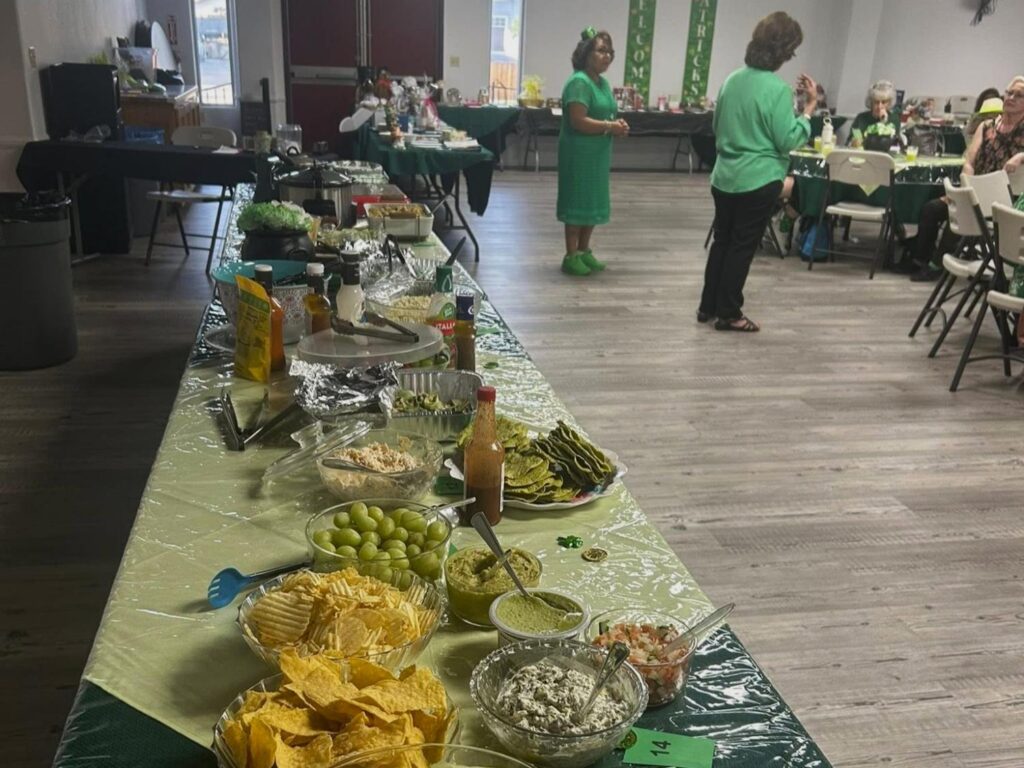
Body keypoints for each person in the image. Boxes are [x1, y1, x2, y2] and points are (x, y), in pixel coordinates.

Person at [698, 12, 818, 332]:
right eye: (790, 53)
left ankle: (707, 306)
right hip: (758, 178)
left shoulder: (732, 80)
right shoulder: (777, 90)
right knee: (742, 246)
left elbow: (716, 125)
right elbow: (788, 139)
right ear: (782, 51)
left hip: (724, 176)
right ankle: (729, 313)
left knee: (722, 242)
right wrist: (808, 110)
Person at [911, 75, 1024, 281]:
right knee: (932, 208)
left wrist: (1020, 156)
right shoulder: (987, 126)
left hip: (1004, 201)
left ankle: (937, 264)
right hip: (974, 190)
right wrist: (967, 184)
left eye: (1019, 95)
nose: (1011, 98)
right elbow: (970, 161)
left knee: (963, 212)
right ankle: (919, 261)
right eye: (1009, 93)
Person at [556, 27, 629, 276]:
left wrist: (618, 125)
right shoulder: (579, 82)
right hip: (579, 153)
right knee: (577, 201)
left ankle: (584, 251)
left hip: (598, 154)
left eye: (610, 52)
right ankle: (570, 254)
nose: (606, 56)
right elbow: (578, 120)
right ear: (586, 53)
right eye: (601, 50)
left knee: (592, 202)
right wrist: (610, 126)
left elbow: (606, 114)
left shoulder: (603, 83)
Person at [849, 80, 901, 148]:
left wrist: (884, 121)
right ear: (871, 102)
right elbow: (852, 141)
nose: (879, 106)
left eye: (883, 102)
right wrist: (854, 142)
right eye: (876, 102)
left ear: (889, 103)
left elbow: (893, 144)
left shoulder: (894, 118)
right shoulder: (861, 118)